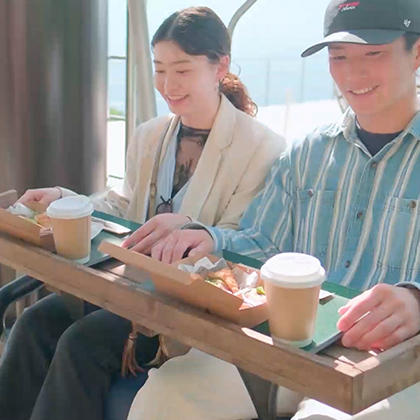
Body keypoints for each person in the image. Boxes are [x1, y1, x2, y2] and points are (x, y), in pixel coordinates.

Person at [127, 1, 420, 419]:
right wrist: (208, 237)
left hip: (385, 371)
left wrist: (415, 299)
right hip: (281, 352)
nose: (353, 74)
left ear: (417, 52)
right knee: (165, 397)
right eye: (339, 57)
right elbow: (262, 241)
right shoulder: (307, 152)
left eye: (374, 54)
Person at [0, 7, 285, 420]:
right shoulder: (150, 134)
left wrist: (191, 232)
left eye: (182, 70)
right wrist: (66, 201)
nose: (168, 85)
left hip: (184, 313)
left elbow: (242, 243)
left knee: (81, 342)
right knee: (33, 323)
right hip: (125, 290)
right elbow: (122, 206)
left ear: (219, 65)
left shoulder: (261, 148)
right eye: (159, 70)